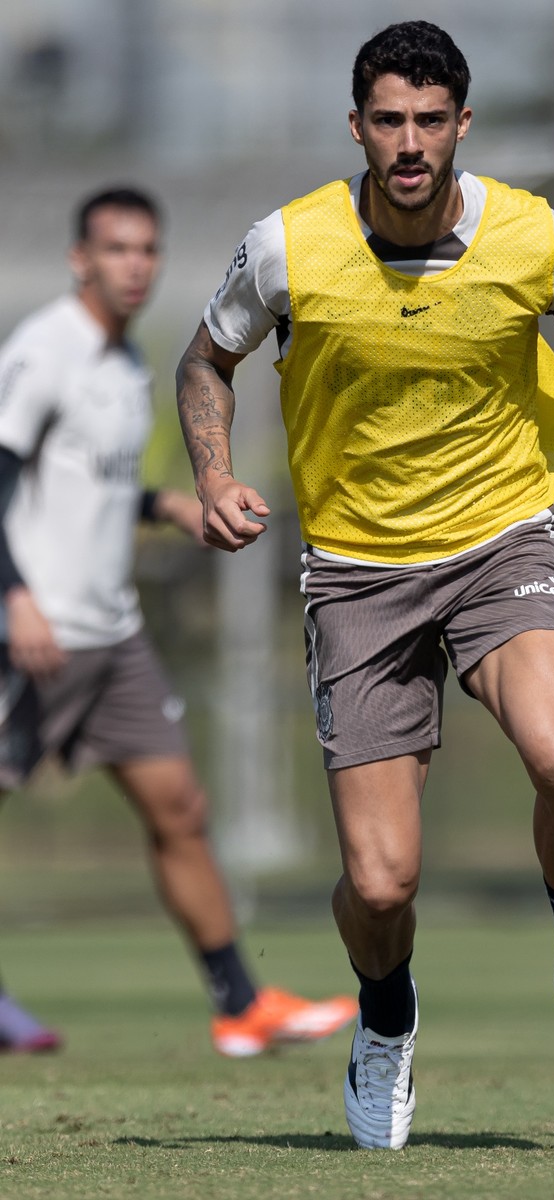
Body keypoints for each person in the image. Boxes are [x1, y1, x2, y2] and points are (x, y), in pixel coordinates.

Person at [175, 21, 554, 1149]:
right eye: (389, 121)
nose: (409, 143)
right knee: (381, 887)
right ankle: (386, 1018)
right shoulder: (288, 247)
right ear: (356, 127)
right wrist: (213, 474)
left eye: (429, 121)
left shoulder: (534, 238)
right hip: (356, 575)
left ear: (463, 123)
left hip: (500, 544)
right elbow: (205, 360)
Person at [0, 186, 359, 1057]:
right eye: (115, 249)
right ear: (80, 259)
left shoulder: (128, 362)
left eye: (147, 250)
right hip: (37, 634)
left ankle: (241, 1004)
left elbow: (86, 486)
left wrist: (166, 504)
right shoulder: (45, 351)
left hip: (111, 637)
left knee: (181, 808)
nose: (135, 266)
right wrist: (14, 597)